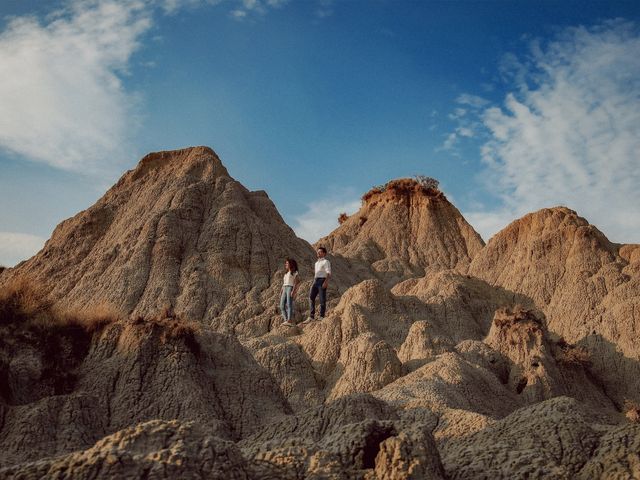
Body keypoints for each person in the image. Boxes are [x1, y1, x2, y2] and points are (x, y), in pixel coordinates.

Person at [303, 247, 331, 323]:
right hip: (315, 281)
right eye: (317, 252)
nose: (318, 253)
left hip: (322, 280)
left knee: (322, 299)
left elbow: (328, 273)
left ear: (324, 253)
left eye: (320, 252)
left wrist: (326, 282)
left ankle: (322, 316)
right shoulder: (316, 263)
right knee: (311, 297)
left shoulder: (326, 262)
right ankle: (311, 316)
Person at [280, 258, 299, 326]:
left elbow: (296, 282)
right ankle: (286, 320)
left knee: (289, 305)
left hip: (290, 288)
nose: (286, 264)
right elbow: (284, 282)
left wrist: (293, 291)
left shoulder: (294, 272)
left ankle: (289, 320)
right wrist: (282, 289)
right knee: (281, 306)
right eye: (286, 263)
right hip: (284, 288)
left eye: (287, 263)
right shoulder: (286, 273)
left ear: (291, 264)